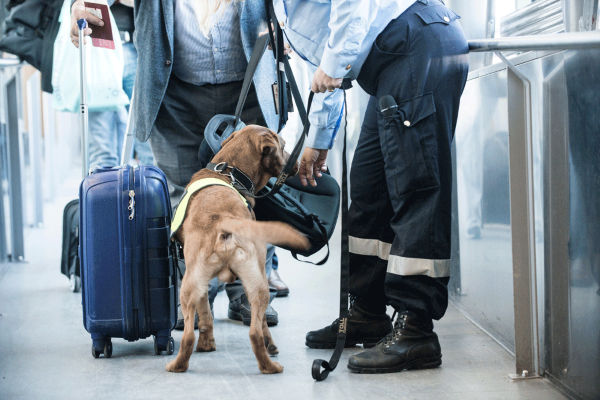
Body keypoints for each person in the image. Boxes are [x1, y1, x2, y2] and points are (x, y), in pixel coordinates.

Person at [278, 0, 469, 373]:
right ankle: (367, 310)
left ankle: (416, 330)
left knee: (415, 187)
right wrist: (318, 138)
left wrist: (332, 69)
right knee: (369, 187)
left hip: (416, 43)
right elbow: (327, 60)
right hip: (389, 62)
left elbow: (350, 9)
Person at [69, 0, 286, 328]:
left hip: (249, 86)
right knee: (184, 198)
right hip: (174, 94)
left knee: (253, 197)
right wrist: (79, 6)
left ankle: (248, 290)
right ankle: (200, 295)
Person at [87, 0, 154, 168]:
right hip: (98, 48)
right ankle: (104, 193)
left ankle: (150, 191)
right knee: (102, 152)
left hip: (141, 48)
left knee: (149, 147)